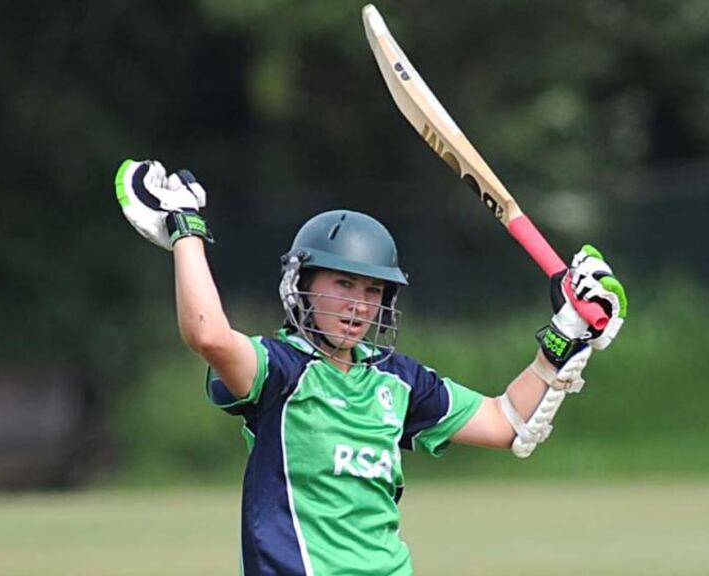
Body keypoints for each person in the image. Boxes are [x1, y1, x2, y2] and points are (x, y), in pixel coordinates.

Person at [114, 159, 628, 576]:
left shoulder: (396, 380)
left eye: (372, 289)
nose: (360, 304)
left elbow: (507, 423)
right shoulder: (279, 373)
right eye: (343, 284)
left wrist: (564, 337)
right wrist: (187, 229)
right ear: (303, 284)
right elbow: (206, 332)